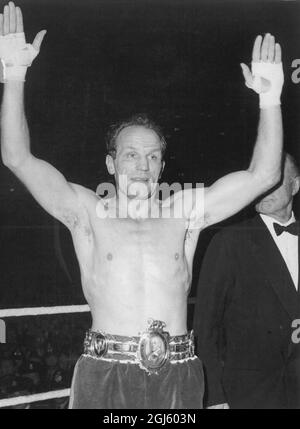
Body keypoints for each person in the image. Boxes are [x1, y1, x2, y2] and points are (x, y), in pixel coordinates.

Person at [0, 2, 284, 409]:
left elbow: (264, 175)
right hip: (105, 373)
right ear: (111, 164)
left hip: (179, 373)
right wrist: (14, 73)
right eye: (131, 155)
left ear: (162, 165)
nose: (142, 165)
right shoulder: (85, 210)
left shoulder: (184, 211)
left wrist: (270, 98)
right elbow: (17, 158)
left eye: (152, 157)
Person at [193, 153, 300, 409]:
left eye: (275, 180)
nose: (264, 189)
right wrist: (214, 398)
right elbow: (205, 328)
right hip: (248, 396)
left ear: (295, 185)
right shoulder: (229, 241)